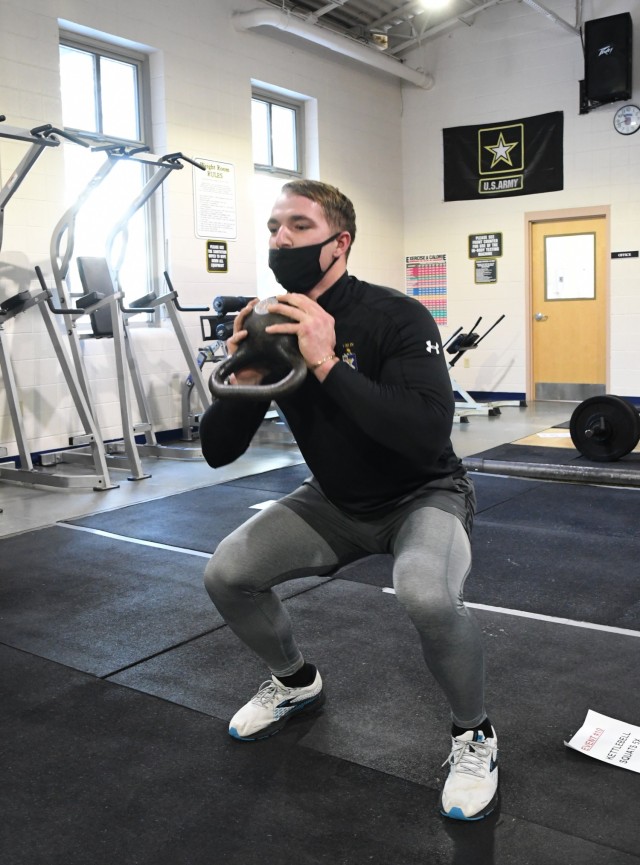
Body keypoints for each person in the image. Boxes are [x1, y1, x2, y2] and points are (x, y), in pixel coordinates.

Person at [199, 179, 498, 822]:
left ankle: (474, 734)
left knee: (427, 593)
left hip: (423, 495)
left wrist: (329, 363)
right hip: (333, 503)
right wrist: (244, 376)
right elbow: (218, 452)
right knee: (227, 573)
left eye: (299, 227)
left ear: (341, 243)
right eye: (275, 226)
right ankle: (295, 683)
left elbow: (423, 438)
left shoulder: (397, 316)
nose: (281, 238)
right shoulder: (271, 322)